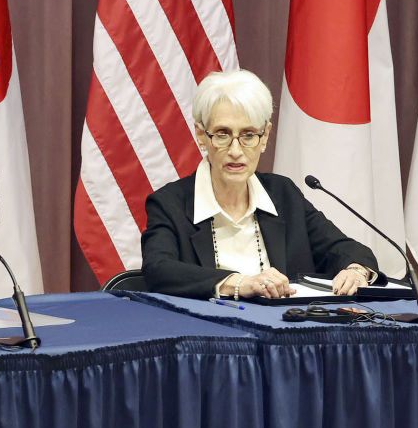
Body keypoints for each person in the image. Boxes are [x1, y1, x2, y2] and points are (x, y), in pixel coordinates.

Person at [141, 69, 381, 300]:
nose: (236, 151)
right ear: (202, 136)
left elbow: (347, 249)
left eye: (248, 135)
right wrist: (239, 283)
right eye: (223, 134)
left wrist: (355, 271)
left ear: (264, 136)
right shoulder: (169, 203)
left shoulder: (282, 195)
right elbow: (159, 270)